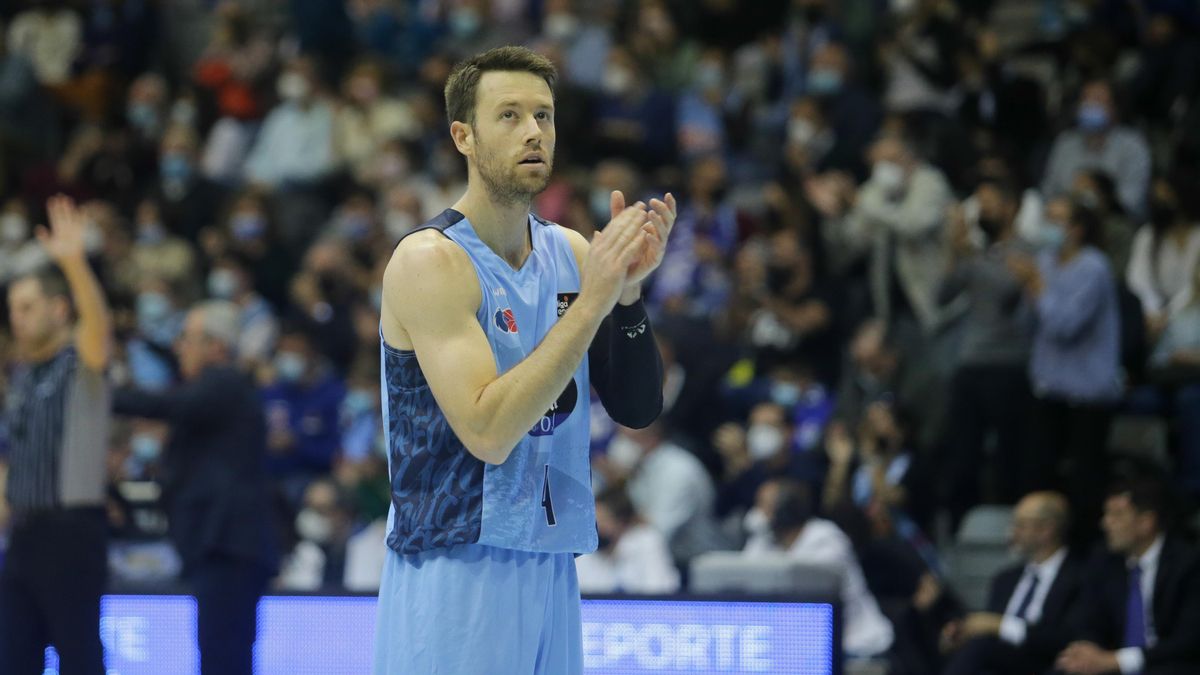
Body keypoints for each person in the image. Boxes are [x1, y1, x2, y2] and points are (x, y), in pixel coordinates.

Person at [372, 46, 672, 675]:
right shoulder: (431, 261)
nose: (534, 131)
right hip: (457, 560)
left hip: (549, 555)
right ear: (464, 137)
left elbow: (637, 409)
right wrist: (594, 302)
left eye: (544, 115)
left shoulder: (567, 249)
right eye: (509, 115)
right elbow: (487, 431)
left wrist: (629, 296)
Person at [113, 301, 279, 675]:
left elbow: (166, 405)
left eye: (187, 339)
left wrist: (105, 394)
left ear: (216, 347)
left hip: (227, 545)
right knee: (225, 655)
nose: (179, 348)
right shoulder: (225, 393)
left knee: (222, 657)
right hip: (225, 546)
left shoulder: (223, 382)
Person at [0, 196, 112, 674]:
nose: (16, 317)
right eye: (12, 309)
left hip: (71, 534)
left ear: (59, 309)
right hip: (23, 533)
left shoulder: (80, 367)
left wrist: (74, 265)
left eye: (27, 307)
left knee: (78, 657)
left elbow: (98, 330)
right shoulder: (21, 375)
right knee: (12, 656)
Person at [1056, 478, 1200, 675]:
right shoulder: (1104, 560)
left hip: (1168, 664)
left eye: (1117, 515)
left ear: (1146, 522)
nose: (1105, 523)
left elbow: (1189, 641)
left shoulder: (1188, 564)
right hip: (1112, 664)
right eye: (1106, 514)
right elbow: (1087, 619)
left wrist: (1117, 660)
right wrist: (1087, 649)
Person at [941, 491, 1084, 675]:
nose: (1012, 533)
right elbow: (987, 634)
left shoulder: (1079, 577)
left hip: (1045, 663)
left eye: (1021, 525)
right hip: (997, 662)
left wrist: (999, 625)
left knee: (981, 648)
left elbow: (1066, 638)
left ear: (1046, 529)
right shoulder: (1005, 579)